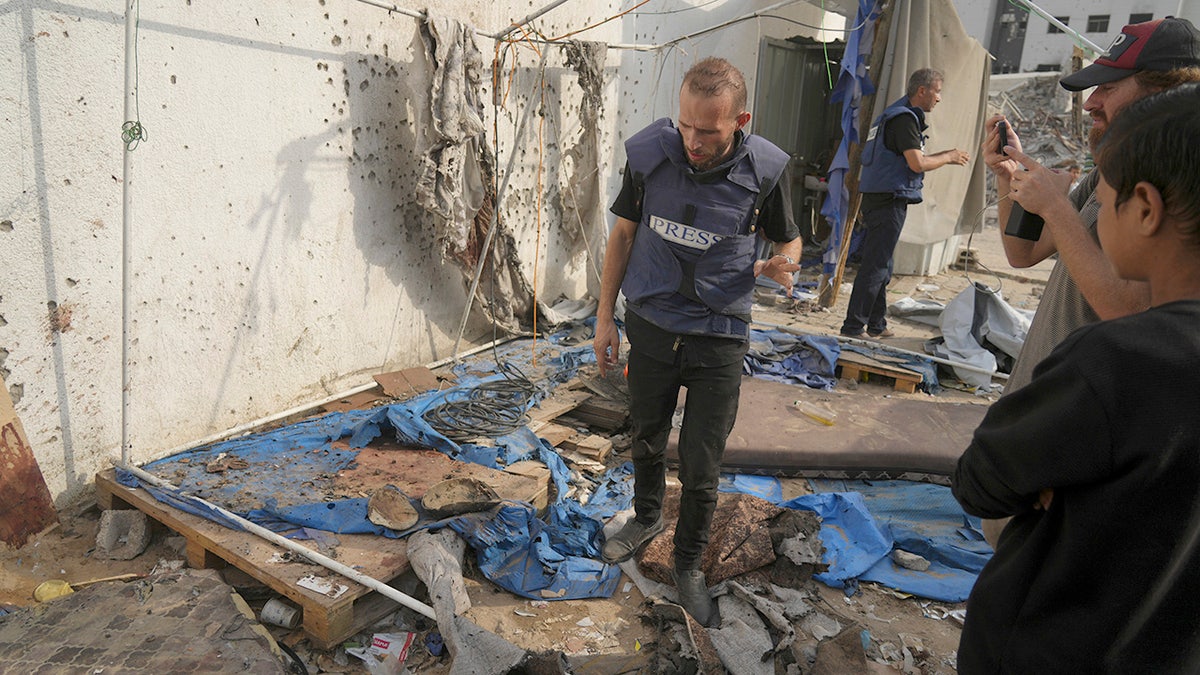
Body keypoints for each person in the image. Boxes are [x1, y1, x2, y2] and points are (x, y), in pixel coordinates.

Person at [952, 82, 1200, 673]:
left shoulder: (1113, 362)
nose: (1092, 104)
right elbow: (1020, 251)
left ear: (1146, 208)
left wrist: (1059, 475)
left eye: (1106, 200)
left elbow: (980, 479)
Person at [592, 57, 802, 627]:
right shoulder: (651, 158)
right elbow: (624, 235)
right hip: (654, 324)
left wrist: (785, 267)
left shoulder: (766, 172)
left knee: (703, 463)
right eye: (685, 125)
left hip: (718, 337)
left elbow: (789, 239)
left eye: (707, 130)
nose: (692, 140)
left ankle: (688, 565)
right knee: (646, 435)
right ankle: (645, 517)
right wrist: (604, 317)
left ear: (740, 120)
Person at [977, 16, 1200, 546]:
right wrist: (1010, 179)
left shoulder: (1182, 186)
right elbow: (1021, 252)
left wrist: (1055, 206)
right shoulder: (1107, 169)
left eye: (1109, 86)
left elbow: (1130, 309)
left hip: (1090, 431)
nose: (1092, 101)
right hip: (1054, 407)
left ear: (1164, 92)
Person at [839, 68, 970, 338]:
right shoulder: (904, 120)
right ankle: (852, 326)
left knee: (883, 263)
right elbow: (917, 163)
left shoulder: (892, 114)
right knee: (875, 265)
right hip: (888, 200)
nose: (939, 98)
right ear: (922, 91)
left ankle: (877, 324)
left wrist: (946, 154)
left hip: (877, 197)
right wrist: (949, 157)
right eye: (937, 91)